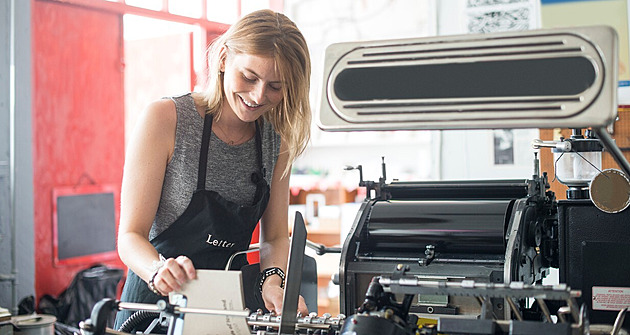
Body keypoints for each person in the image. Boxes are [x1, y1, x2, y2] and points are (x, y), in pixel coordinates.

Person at [114, 9, 311, 330]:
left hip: (224, 309)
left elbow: (274, 236)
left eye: (275, 86)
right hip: (151, 306)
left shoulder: (277, 139)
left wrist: (273, 280)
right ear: (223, 58)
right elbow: (129, 236)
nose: (258, 96)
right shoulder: (166, 119)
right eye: (249, 77)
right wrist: (156, 270)